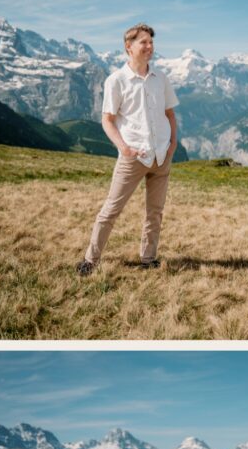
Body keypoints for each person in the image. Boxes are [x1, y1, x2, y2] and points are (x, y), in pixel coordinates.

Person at [76, 23, 179, 276]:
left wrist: (173, 143)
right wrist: (124, 147)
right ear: (128, 47)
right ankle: (91, 259)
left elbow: (169, 113)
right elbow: (107, 119)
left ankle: (149, 258)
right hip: (133, 157)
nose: (149, 47)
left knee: (155, 212)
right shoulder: (116, 80)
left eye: (151, 42)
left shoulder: (161, 78)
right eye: (143, 42)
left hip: (161, 154)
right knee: (111, 210)